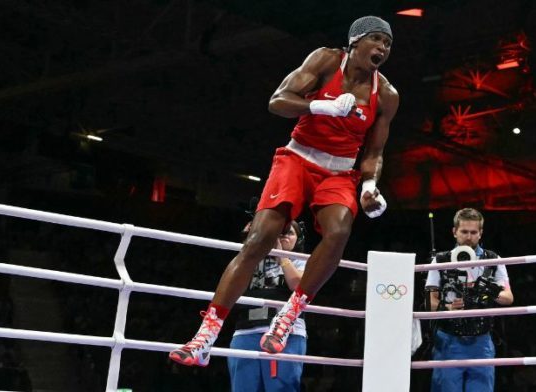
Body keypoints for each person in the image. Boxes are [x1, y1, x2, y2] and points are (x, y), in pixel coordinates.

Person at [169, 15, 398, 367]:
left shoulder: (386, 95)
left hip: (339, 171)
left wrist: (369, 186)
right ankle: (206, 336)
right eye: (378, 40)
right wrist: (320, 105)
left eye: (388, 44)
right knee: (260, 239)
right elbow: (277, 101)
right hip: (297, 158)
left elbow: (374, 153)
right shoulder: (324, 59)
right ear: (356, 41)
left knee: (339, 230)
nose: (383, 48)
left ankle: (289, 315)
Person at [425, 208, 514, 391]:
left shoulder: (493, 259)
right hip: (448, 340)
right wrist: (447, 308)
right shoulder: (440, 261)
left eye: (473, 232)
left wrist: (489, 291)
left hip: (481, 341)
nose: (468, 237)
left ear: (480, 234)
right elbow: (429, 303)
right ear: (454, 232)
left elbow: (508, 298)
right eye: (464, 232)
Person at [228, 220, 307, 391]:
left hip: (287, 335)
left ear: (299, 239)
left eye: (290, 233)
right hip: (245, 332)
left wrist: (281, 256)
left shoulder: (302, 260)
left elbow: (298, 285)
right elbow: (231, 284)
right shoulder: (250, 259)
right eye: (280, 232)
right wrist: (251, 240)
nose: (284, 236)